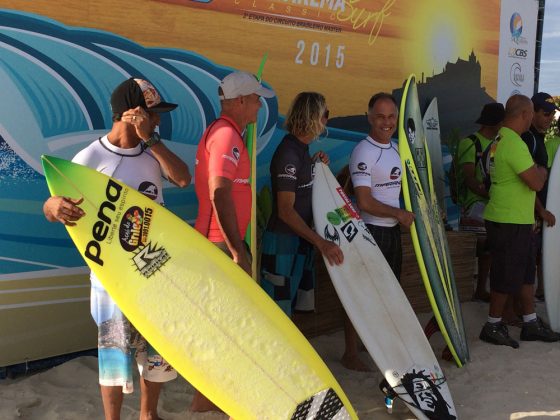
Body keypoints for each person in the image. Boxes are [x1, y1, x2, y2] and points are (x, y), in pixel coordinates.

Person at [43, 77, 191, 420]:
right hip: (112, 277)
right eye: (154, 114)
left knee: (156, 350)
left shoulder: (153, 154)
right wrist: (53, 206)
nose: (159, 120)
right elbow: (51, 205)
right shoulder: (91, 156)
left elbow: (183, 178)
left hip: (154, 269)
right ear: (133, 114)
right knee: (114, 355)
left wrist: (152, 141)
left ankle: (147, 414)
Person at [192, 70, 275, 412]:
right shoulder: (226, 134)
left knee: (222, 323)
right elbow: (219, 191)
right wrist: (236, 249)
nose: (259, 106)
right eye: (256, 100)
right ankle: (211, 399)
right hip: (219, 243)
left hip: (223, 240)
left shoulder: (229, 132)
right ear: (240, 101)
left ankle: (206, 398)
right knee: (224, 324)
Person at [480, 94, 560, 348]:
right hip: (508, 219)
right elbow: (536, 181)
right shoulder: (513, 143)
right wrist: (543, 171)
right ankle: (492, 325)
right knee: (505, 274)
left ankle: (530, 322)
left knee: (526, 273)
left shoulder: (498, 139)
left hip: (516, 218)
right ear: (525, 114)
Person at [345, 92, 414, 370]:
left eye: (391, 116)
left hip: (392, 232)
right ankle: (350, 352)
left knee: (388, 291)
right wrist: (398, 213)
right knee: (361, 293)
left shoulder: (397, 148)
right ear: (369, 117)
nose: (386, 122)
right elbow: (364, 201)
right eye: (380, 116)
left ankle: (371, 343)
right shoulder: (363, 151)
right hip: (370, 231)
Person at [260, 92, 343, 320]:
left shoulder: (301, 151)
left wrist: (314, 164)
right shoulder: (288, 153)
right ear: (314, 117)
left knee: (294, 309)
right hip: (282, 243)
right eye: (325, 114)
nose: (327, 119)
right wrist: (321, 243)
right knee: (276, 315)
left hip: (300, 241)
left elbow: (301, 188)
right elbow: (286, 211)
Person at [457, 102, 505, 302]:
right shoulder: (469, 143)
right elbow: (469, 178)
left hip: (492, 204)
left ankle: (480, 289)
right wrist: (485, 192)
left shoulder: (498, 143)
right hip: (475, 204)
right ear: (495, 122)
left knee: (490, 250)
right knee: (479, 247)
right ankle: (468, 288)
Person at [521, 92, 558, 300]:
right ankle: (515, 314)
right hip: (530, 213)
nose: (550, 118)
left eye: (553, 113)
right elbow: (527, 182)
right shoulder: (528, 139)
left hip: (537, 212)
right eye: (546, 113)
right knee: (523, 266)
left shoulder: (540, 139)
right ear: (531, 112)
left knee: (531, 262)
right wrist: (540, 210)